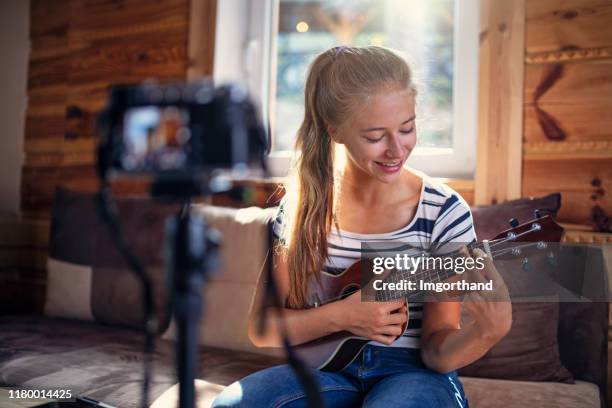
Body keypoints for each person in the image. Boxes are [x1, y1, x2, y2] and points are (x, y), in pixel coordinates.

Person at [212, 45, 511, 408]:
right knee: (232, 405)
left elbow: (437, 353)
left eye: (407, 128)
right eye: (375, 137)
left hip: (414, 372)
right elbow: (263, 328)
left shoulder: (442, 211)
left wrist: (487, 332)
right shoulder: (303, 206)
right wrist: (343, 316)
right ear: (334, 130)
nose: (396, 150)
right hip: (327, 367)